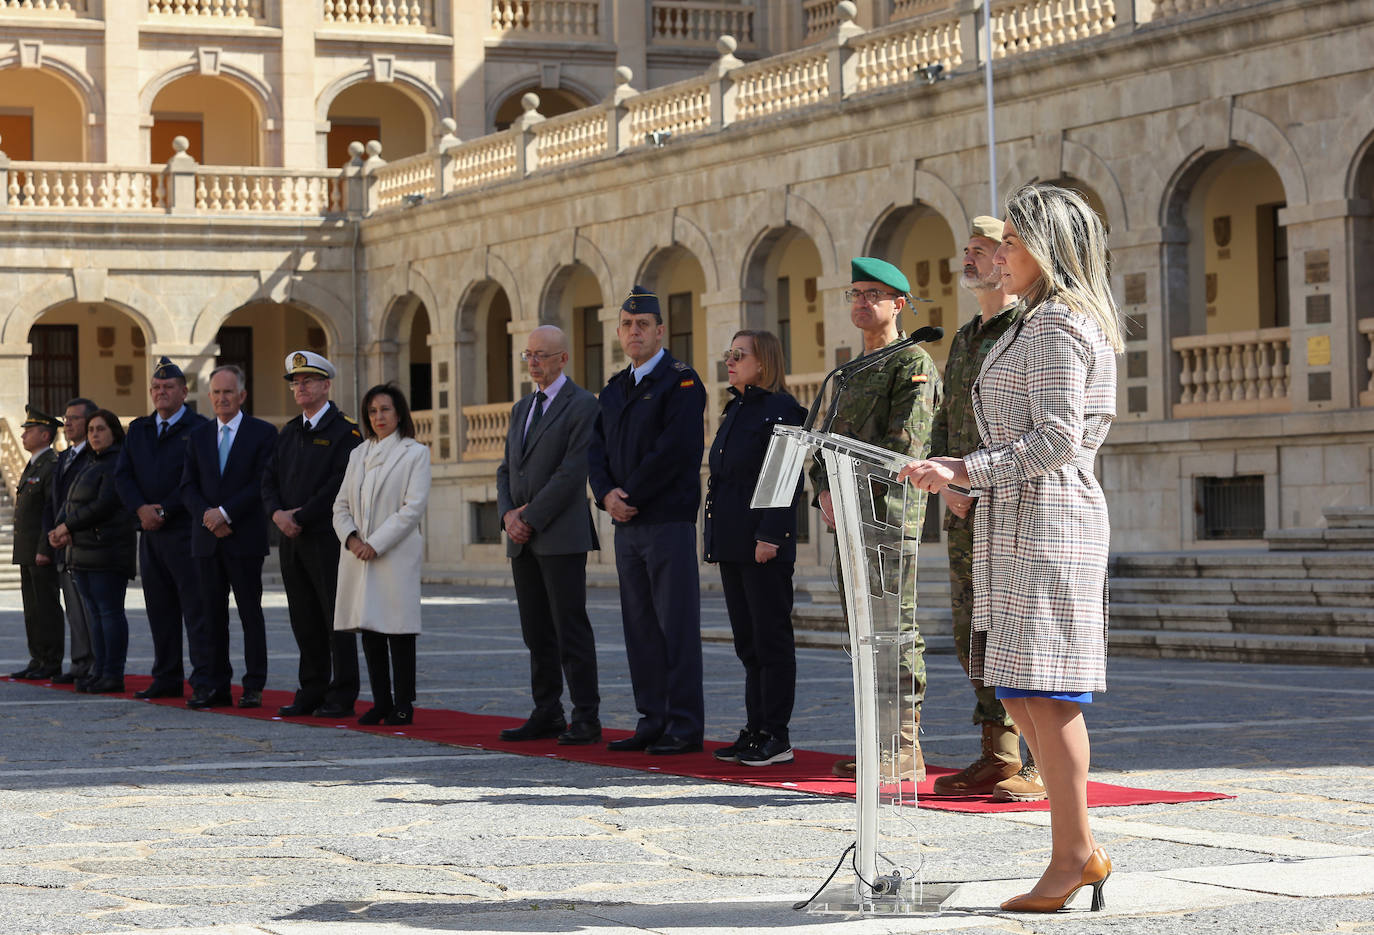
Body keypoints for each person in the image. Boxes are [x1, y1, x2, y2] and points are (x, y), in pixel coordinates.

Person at [899, 183, 1122, 912]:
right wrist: (968, 472)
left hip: (1048, 520)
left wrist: (966, 468)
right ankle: (1078, 848)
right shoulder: (1031, 321)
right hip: (1015, 519)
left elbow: (1058, 436)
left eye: (1018, 242)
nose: (1005, 252)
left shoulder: (1058, 323)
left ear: (1049, 250)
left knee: (1047, 697)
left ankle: (1072, 854)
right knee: (1022, 691)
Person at [926, 218, 1044, 801]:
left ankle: (1038, 759)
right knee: (971, 629)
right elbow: (948, 418)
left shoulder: (1029, 328)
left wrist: (978, 479)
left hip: (1013, 502)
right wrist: (949, 481)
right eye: (966, 251)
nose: (968, 259)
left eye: (981, 250)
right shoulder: (967, 336)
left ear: (1007, 259)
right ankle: (998, 754)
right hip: (962, 504)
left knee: (1021, 631)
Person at [811, 257, 938, 780]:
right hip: (845, 516)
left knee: (894, 630)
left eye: (873, 295)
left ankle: (904, 745)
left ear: (898, 304)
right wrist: (823, 489)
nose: (862, 303)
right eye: (855, 294)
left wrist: (847, 487)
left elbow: (905, 447)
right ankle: (874, 740)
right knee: (861, 630)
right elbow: (818, 439)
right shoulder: (844, 372)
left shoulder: (912, 364)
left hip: (887, 517)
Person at [588, 286, 708, 755]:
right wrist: (605, 495)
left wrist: (629, 494)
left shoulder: (681, 382)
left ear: (660, 331)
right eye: (627, 325)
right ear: (619, 333)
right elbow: (595, 451)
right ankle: (651, 719)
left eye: (643, 325)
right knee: (639, 626)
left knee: (675, 625)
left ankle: (683, 724)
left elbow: (674, 451)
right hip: (626, 524)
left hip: (666, 521)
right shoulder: (615, 388)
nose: (634, 331)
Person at [496, 325, 602, 745]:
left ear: (563, 358)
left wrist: (530, 517)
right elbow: (507, 468)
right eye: (528, 355)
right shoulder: (522, 407)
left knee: (569, 627)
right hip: (521, 537)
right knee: (535, 630)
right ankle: (547, 711)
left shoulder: (582, 405)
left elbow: (572, 472)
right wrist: (507, 514)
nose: (533, 362)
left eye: (541, 354)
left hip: (560, 534)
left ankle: (586, 716)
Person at [705, 331, 805, 767]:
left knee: (771, 642)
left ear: (763, 362)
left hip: (762, 544)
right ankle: (755, 728)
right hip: (733, 541)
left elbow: (786, 479)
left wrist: (771, 535)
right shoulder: (736, 408)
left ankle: (776, 736)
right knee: (748, 644)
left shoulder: (782, 410)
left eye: (739, 355)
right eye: (729, 353)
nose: (730, 360)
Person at [262, 351, 363, 718]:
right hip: (292, 538)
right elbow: (268, 479)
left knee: (336, 617)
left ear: (326, 385)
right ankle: (312, 687)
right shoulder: (289, 432)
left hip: (325, 537)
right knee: (303, 616)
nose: (299, 387)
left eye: (307, 381)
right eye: (295, 382)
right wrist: (276, 514)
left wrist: (301, 515)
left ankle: (342, 692)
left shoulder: (345, 431)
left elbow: (340, 484)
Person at [332, 384, 432, 726]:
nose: (379, 417)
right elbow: (340, 506)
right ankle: (380, 701)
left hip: (393, 555)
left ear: (399, 413)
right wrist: (351, 539)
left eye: (385, 410)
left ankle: (403, 703)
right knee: (371, 631)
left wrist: (376, 542)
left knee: (398, 631)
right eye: (373, 411)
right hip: (359, 556)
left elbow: (413, 507)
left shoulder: (414, 453)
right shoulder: (357, 454)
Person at [180, 365, 277, 710]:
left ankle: (253, 685)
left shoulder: (263, 434)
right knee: (211, 615)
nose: (222, 398)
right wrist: (209, 516)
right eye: (216, 393)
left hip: (244, 537)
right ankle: (215, 684)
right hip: (207, 540)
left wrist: (225, 513)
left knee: (250, 614)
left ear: (242, 395)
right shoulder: (198, 436)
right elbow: (187, 485)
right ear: (210, 397)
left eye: (228, 392)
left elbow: (261, 482)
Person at [114, 357, 210, 701]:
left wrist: (166, 509)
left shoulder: (199, 428)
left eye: (168, 387)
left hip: (184, 531)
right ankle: (166, 676)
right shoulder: (139, 429)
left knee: (195, 610)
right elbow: (122, 475)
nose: (161, 392)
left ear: (184, 392)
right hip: (150, 533)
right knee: (159, 609)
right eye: (155, 387)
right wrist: (141, 509)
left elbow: (197, 480)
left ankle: (203, 680)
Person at [48, 409, 136, 693]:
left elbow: (104, 504)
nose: (95, 435)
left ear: (113, 432)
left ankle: (113, 673)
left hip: (107, 550)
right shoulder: (89, 463)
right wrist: (60, 526)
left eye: (101, 429)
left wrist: (66, 526)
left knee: (109, 613)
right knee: (95, 615)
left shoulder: (116, 463)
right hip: (83, 550)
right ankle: (99, 670)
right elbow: (70, 502)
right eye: (92, 430)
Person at [43, 398, 97, 684]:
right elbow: (52, 503)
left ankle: (96, 664)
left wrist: (69, 528)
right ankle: (79, 663)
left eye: (74, 418)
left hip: (84, 542)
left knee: (90, 610)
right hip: (62, 544)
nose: (67, 423)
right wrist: (52, 532)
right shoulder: (63, 457)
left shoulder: (94, 456)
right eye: (66, 417)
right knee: (74, 609)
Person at [10, 407, 64, 681]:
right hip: (27, 549)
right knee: (32, 608)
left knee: (46, 606)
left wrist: (45, 548)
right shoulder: (33, 465)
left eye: (29, 430)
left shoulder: (51, 465)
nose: (23, 434)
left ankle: (51, 660)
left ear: (45, 434)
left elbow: (50, 510)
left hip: (40, 550)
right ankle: (37, 657)